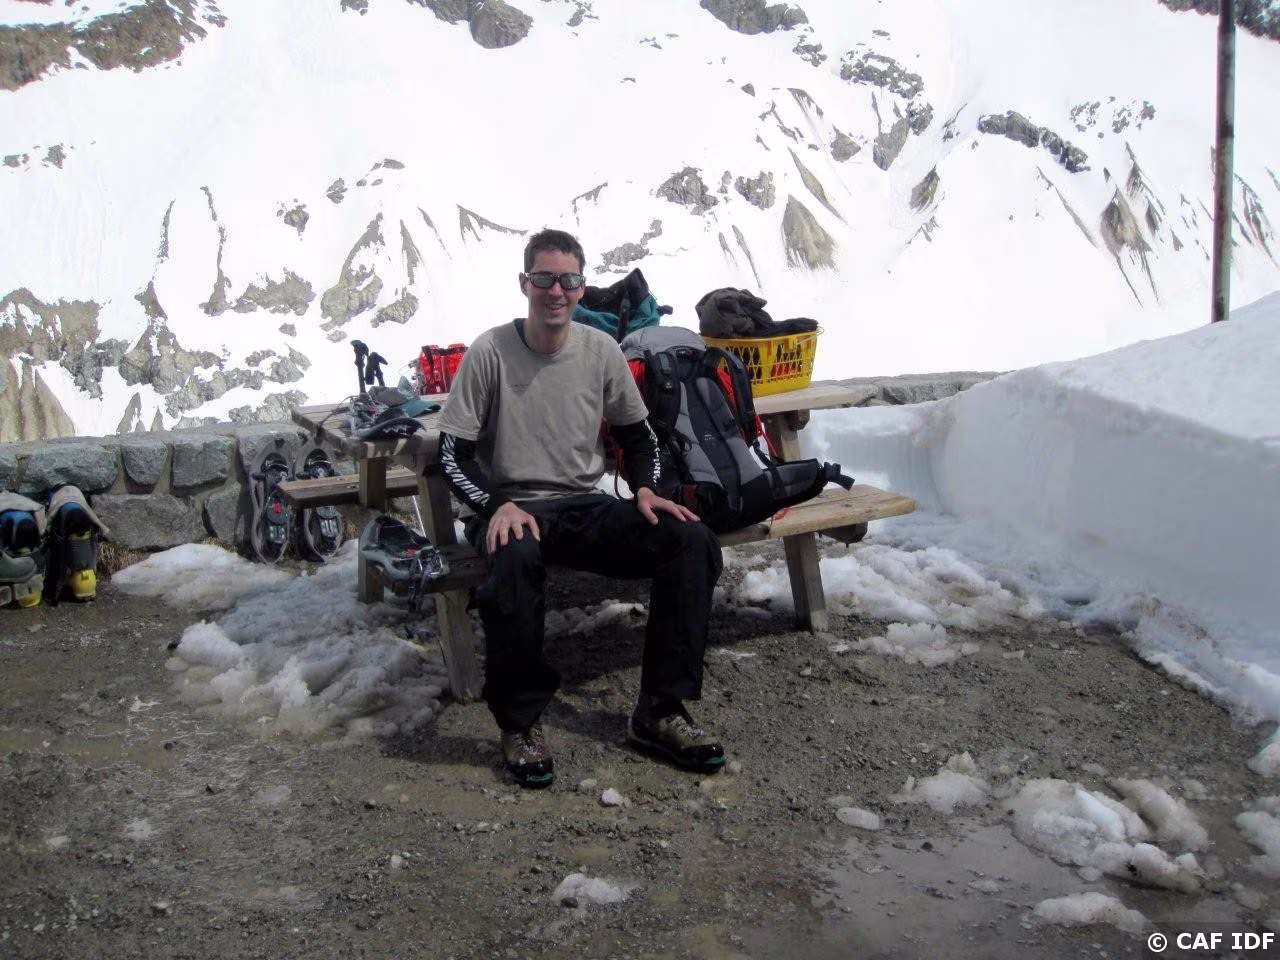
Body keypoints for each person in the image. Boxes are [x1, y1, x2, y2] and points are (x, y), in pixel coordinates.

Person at [436, 229, 726, 789]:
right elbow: (453, 454)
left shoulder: (600, 350)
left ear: (581, 287)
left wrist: (647, 489)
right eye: (544, 278)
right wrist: (496, 506)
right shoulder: (489, 351)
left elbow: (640, 436)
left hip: (583, 504)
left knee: (690, 540)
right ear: (524, 284)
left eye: (568, 280)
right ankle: (520, 725)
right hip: (513, 508)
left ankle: (661, 711)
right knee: (514, 556)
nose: (556, 291)